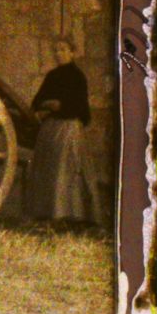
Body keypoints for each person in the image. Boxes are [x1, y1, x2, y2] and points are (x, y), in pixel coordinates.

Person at [26, 37, 99, 225]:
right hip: (50, 129)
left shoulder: (78, 76)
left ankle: (68, 214)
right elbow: (37, 101)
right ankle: (47, 213)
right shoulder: (52, 75)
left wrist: (61, 106)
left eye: (64, 49)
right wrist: (47, 105)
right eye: (56, 50)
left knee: (64, 169)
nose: (59, 53)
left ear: (72, 52)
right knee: (46, 168)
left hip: (69, 128)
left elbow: (81, 107)